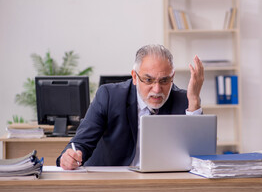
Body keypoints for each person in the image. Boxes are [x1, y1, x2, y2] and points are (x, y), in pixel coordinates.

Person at [57, 44, 204, 170]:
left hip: (160, 184)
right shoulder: (108, 96)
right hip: (112, 183)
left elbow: (199, 160)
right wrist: (69, 157)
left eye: (164, 80)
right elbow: (80, 144)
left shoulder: (184, 100)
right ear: (134, 77)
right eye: (148, 80)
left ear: (172, 77)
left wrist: (194, 101)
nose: (157, 89)